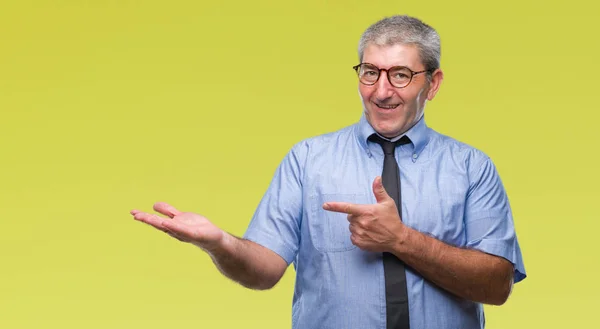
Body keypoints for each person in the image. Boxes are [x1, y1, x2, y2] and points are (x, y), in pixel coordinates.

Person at [130, 15, 526, 329]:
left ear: (433, 84)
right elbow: (264, 271)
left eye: (400, 75)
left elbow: (496, 285)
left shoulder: (472, 168)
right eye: (370, 72)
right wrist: (219, 243)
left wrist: (400, 239)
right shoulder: (308, 160)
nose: (382, 91)